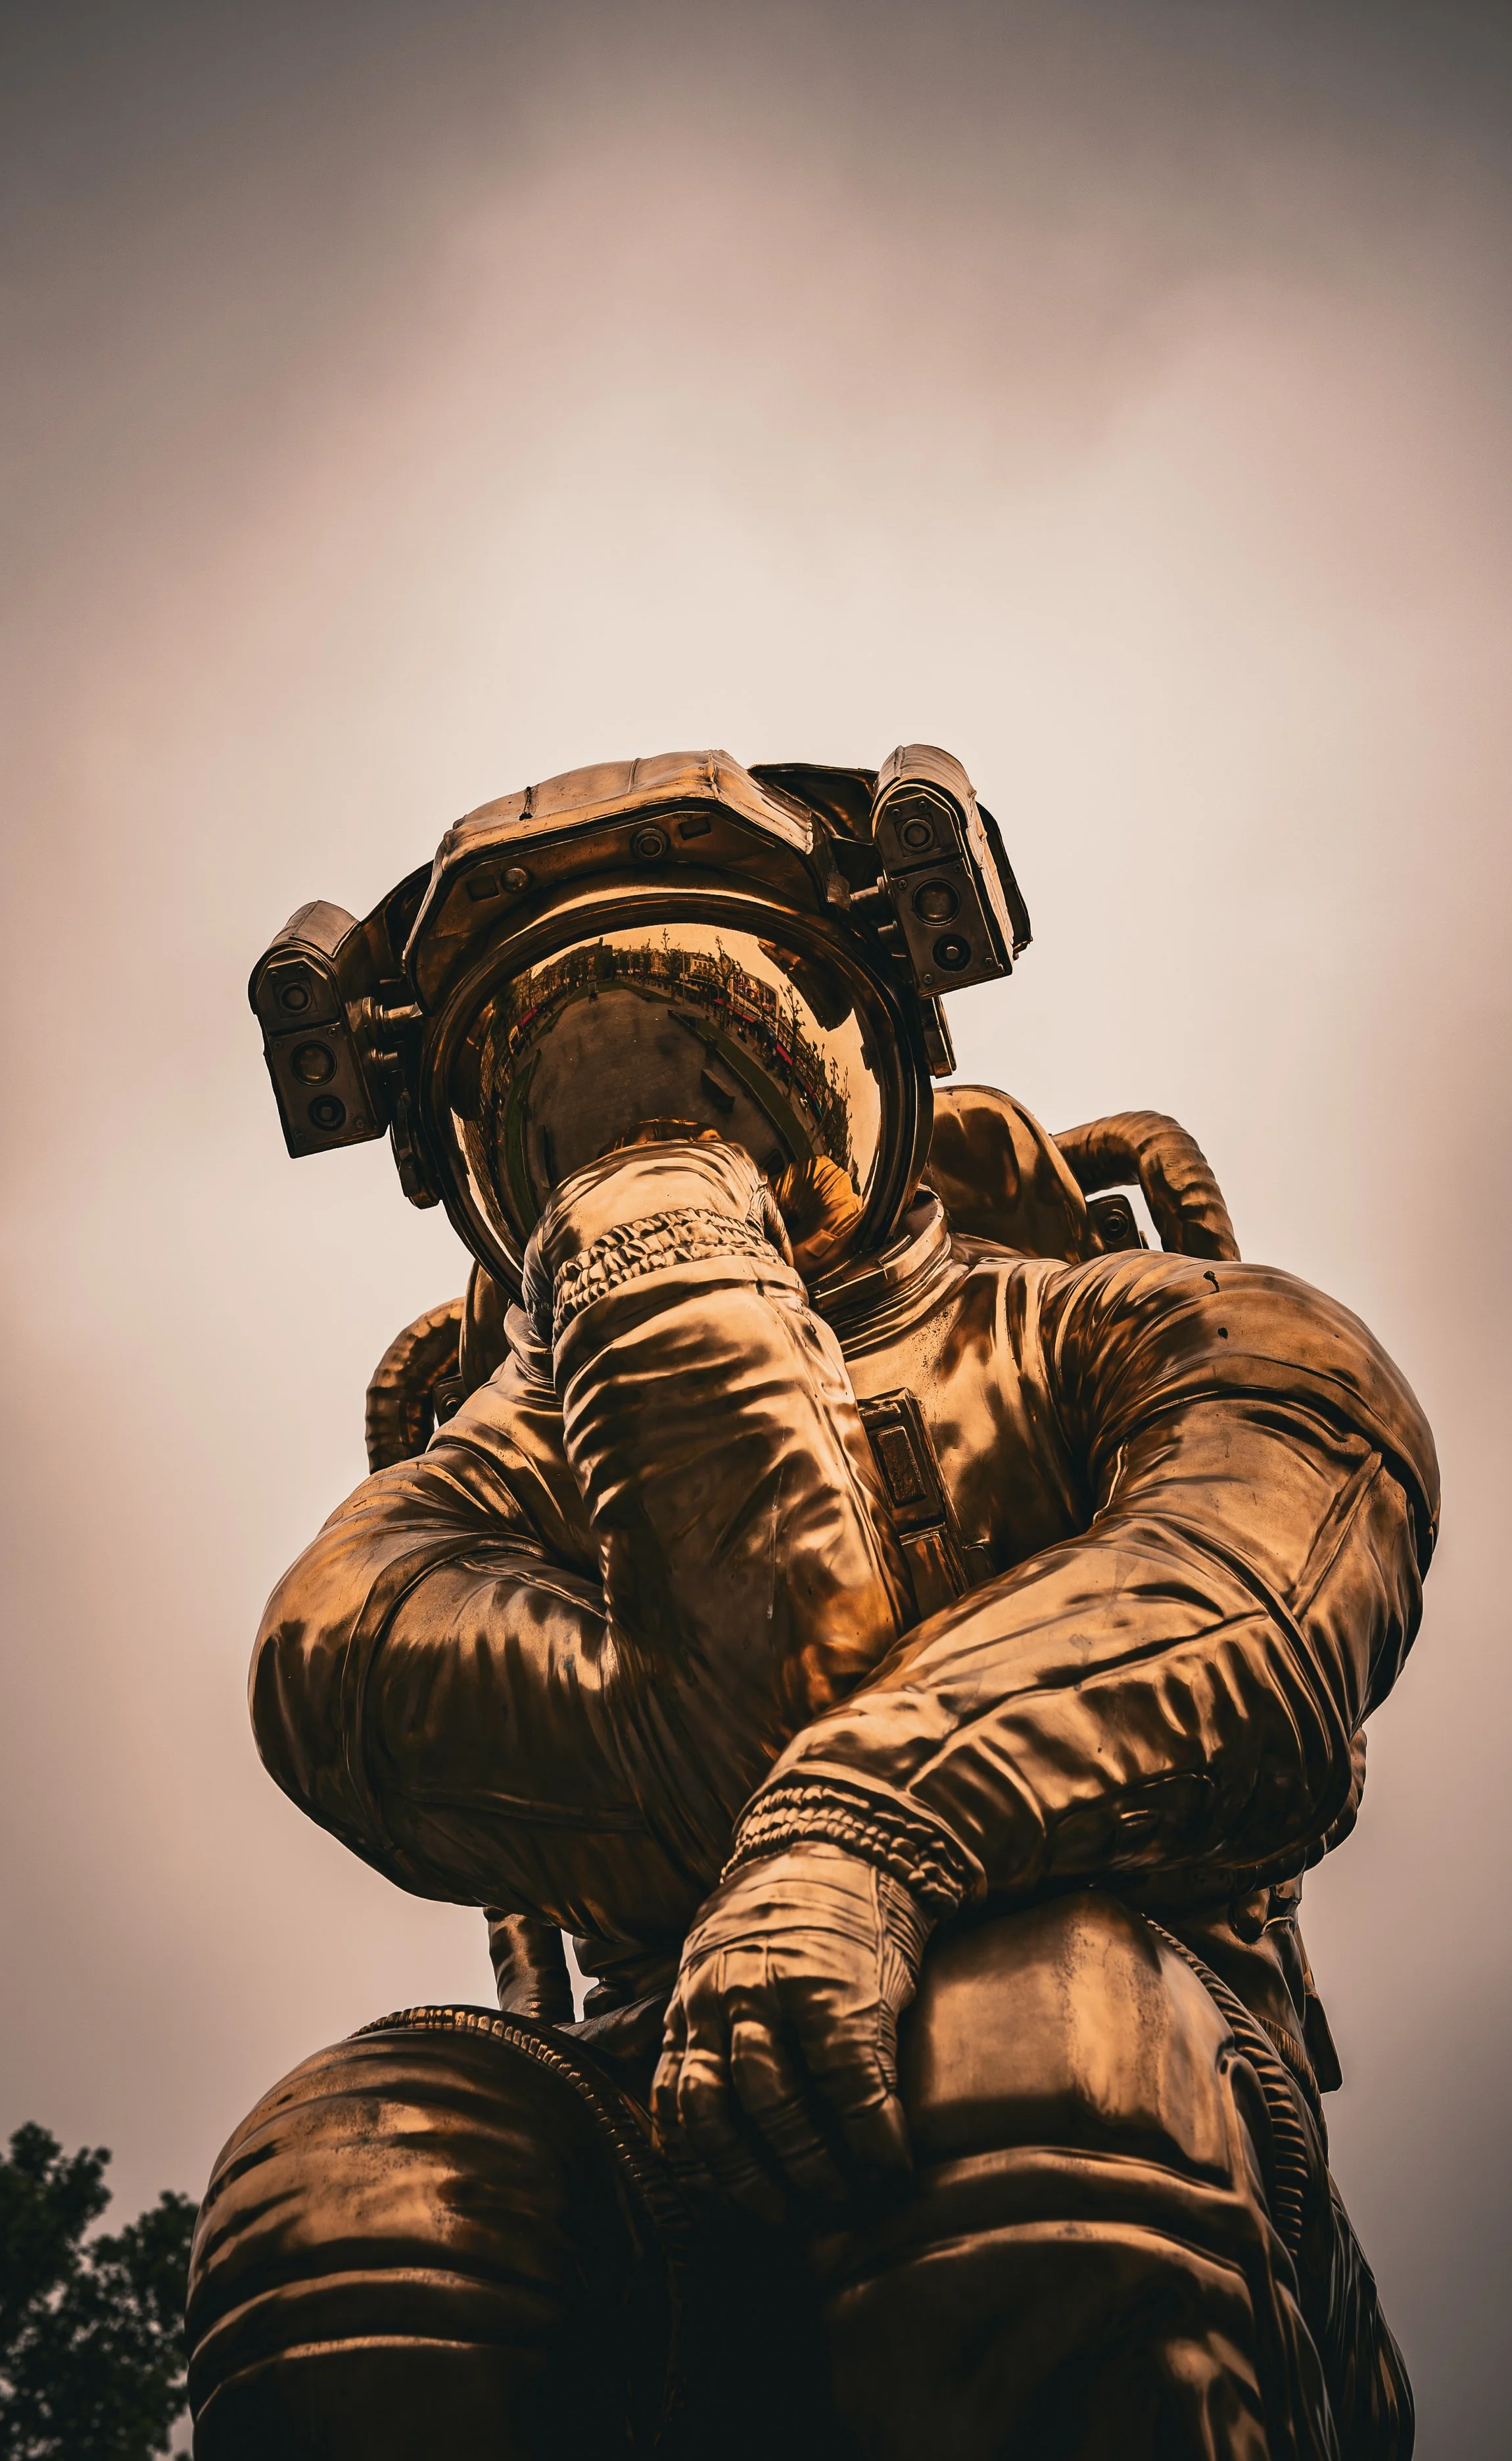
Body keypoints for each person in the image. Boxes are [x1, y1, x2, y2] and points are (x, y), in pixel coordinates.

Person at [187, 748, 1435, 2458]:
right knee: (355, 2190)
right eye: (535, 1095)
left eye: (724, 1030)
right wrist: (676, 1350)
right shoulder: (491, 1476)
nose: (636, 1128)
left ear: (879, 1042)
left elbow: (1248, 1586)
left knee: (1027, 2057)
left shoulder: (1130, 1329)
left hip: (1145, 2030)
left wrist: (861, 1834)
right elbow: (342, 1662)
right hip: (652, 2062)